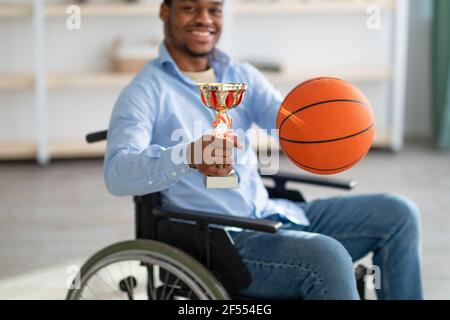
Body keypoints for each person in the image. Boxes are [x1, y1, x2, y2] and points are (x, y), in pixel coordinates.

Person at [104, 0, 423, 300]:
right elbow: (117, 173)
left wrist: (334, 121)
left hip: (272, 214)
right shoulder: (144, 92)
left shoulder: (240, 75)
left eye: (214, 9)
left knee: (398, 213)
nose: (204, 19)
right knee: (327, 255)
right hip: (223, 243)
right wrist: (188, 155)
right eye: (190, 8)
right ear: (164, 11)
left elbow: (289, 122)